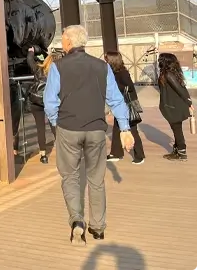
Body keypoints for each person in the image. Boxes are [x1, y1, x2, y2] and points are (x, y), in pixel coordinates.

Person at [43, 24, 133, 245]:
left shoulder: (58, 67)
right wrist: (125, 129)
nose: (62, 42)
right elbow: (116, 99)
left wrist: (58, 123)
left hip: (68, 129)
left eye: (64, 38)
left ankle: (77, 221)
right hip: (95, 130)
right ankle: (99, 228)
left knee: (70, 176)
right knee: (96, 180)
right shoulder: (102, 67)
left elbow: (49, 102)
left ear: (70, 42)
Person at [103, 51, 145, 165]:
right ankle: (116, 153)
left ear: (112, 60)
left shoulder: (122, 73)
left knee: (132, 130)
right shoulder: (113, 72)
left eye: (106, 59)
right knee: (117, 129)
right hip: (120, 104)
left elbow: (129, 87)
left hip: (126, 104)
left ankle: (139, 155)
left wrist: (117, 93)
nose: (104, 61)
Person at [23, 47, 60, 164]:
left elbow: (29, 59)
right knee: (54, 125)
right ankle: (62, 151)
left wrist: (32, 50)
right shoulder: (58, 73)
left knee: (40, 128)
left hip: (36, 101)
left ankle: (43, 155)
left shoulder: (38, 69)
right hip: (50, 102)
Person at [156, 52, 194, 161]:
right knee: (177, 129)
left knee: (177, 130)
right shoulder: (173, 73)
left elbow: (180, 90)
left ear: (165, 62)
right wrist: (189, 102)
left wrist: (189, 103)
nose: (159, 61)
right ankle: (177, 151)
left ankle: (182, 153)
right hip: (174, 107)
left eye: (160, 59)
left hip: (173, 108)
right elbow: (182, 88)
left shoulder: (168, 74)